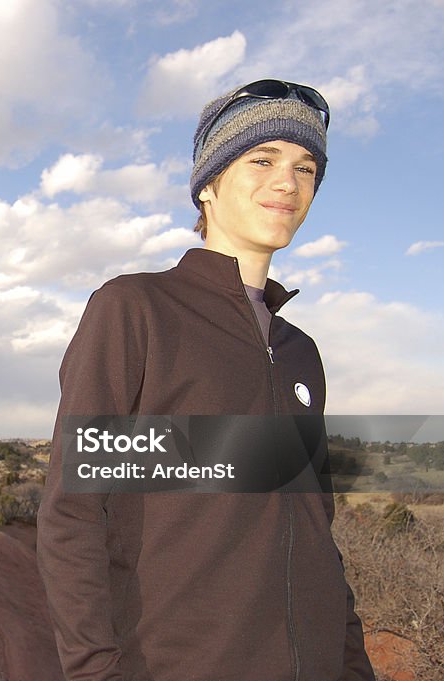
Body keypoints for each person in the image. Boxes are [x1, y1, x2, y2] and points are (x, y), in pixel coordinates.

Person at [37, 79, 375, 681]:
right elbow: (73, 515)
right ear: (208, 186)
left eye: (306, 168)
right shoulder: (136, 309)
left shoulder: (301, 353)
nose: (287, 183)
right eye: (262, 160)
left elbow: (317, 533)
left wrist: (353, 665)